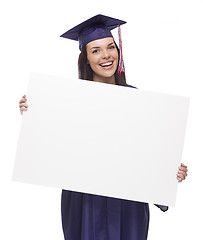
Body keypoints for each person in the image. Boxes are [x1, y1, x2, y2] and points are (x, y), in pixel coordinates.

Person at [19, 14, 188, 240]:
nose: (106, 55)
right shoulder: (67, 101)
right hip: (85, 200)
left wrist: (171, 173)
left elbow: (152, 156)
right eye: (96, 50)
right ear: (86, 59)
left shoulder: (140, 101)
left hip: (128, 201)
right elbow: (50, 148)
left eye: (110, 47)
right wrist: (33, 115)